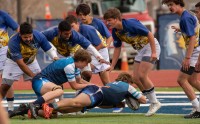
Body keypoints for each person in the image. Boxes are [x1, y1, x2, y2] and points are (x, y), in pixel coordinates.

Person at [103, 8, 161, 117]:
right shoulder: (116, 32)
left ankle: (154, 102)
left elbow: (149, 34)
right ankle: (150, 99)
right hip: (141, 50)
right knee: (135, 79)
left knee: (142, 76)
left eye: (109, 20)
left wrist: (154, 52)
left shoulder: (130, 24)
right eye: (106, 21)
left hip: (150, 47)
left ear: (116, 19)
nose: (107, 23)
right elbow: (117, 48)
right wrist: (112, 66)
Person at [13, 72, 146, 119]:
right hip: (96, 92)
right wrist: (136, 95)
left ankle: (28, 110)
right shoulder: (127, 86)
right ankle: (43, 105)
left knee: (61, 112)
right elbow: (143, 100)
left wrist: (115, 104)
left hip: (95, 99)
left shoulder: (116, 87)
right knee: (74, 102)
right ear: (128, 81)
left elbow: (102, 105)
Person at [24, 49, 93, 119]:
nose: (86, 65)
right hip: (40, 81)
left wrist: (94, 85)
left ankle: (26, 109)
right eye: (86, 63)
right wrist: (89, 85)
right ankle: (34, 104)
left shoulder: (75, 66)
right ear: (81, 60)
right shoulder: (70, 66)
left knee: (52, 114)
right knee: (59, 91)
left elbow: (79, 81)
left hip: (47, 85)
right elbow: (74, 86)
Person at [0, 22, 58, 101]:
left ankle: (48, 104)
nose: (28, 39)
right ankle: (10, 108)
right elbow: (20, 63)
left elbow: (49, 49)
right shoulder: (13, 41)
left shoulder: (39, 36)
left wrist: (55, 57)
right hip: (13, 63)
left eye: (30, 36)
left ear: (32, 33)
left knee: (41, 83)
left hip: (31, 61)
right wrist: (33, 76)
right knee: (5, 85)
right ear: (20, 34)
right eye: (25, 37)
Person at [162, 0, 200, 119]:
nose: (169, 7)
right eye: (168, 5)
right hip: (197, 50)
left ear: (179, 4)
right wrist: (182, 30)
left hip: (194, 52)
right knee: (193, 81)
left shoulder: (185, 18)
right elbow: (194, 30)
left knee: (181, 80)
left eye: (171, 5)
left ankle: (198, 109)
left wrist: (187, 58)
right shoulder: (187, 15)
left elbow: (192, 37)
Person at [42, 20, 109, 82]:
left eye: (70, 33)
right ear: (60, 32)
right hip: (60, 53)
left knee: (87, 73)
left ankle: (83, 91)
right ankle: (58, 91)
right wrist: (53, 55)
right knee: (57, 74)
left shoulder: (75, 35)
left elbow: (89, 47)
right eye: (66, 34)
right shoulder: (51, 33)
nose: (68, 36)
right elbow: (39, 38)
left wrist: (100, 58)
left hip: (74, 52)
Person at [65, 15, 110, 85]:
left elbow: (100, 45)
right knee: (84, 71)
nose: (71, 29)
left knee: (86, 71)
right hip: (91, 52)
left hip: (100, 52)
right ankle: (83, 90)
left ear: (77, 24)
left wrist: (84, 56)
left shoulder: (87, 29)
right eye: (69, 28)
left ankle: (83, 90)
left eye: (72, 26)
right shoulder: (71, 34)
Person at [0, 10, 19, 113]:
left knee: (6, 78)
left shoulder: (4, 15)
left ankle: (11, 108)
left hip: (2, 50)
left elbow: (18, 29)